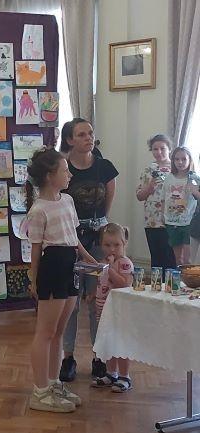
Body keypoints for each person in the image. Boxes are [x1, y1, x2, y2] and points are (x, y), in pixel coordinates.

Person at [26, 147, 97, 413]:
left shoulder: (67, 200)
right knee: (45, 332)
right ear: (49, 176)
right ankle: (39, 391)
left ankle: (53, 383)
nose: (70, 175)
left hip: (70, 265)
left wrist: (89, 259)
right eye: (65, 170)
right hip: (53, 267)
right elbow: (36, 249)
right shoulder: (38, 210)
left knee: (58, 331)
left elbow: (73, 238)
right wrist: (34, 279)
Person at [58, 118, 118, 383]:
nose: (88, 138)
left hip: (97, 240)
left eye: (90, 133)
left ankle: (98, 356)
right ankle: (68, 357)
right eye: (82, 134)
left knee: (97, 300)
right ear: (70, 139)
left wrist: (101, 227)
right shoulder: (63, 166)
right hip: (69, 240)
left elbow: (109, 196)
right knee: (71, 303)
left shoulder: (104, 167)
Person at [91, 223, 134, 392]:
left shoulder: (124, 263)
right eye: (107, 245)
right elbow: (102, 283)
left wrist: (109, 269)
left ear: (124, 244)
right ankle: (111, 373)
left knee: (120, 343)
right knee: (108, 342)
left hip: (119, 311)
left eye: (116, 245)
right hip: (104, 310)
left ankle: (124, 376)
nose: (112, 249)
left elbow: (124, 283)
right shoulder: (104, 263)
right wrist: (92, 294)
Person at [136, 133, 176, 272]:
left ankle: (171, 285)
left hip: (172, 221)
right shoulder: (148, 170)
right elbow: (139, 196)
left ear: (169, 149)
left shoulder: (176, 168)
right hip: (151, 220)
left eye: (162, 148)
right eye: (155, 149)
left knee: (170, 258)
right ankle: (156, 285)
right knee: (156, 258)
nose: (159, 152)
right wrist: (150, 187)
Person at [163, 146, 200, 265]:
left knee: (188, 260)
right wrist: (163, 216)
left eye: (184, 159)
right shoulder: (168, 178)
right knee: (178, 260)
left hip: (189, 222)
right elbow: (165, 199)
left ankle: (189, 277)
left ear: (189, 160)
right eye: (177, 159)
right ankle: (179, 277)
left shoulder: (194, 179)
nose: (180, 162)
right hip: (172, 222)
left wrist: (194, 191)